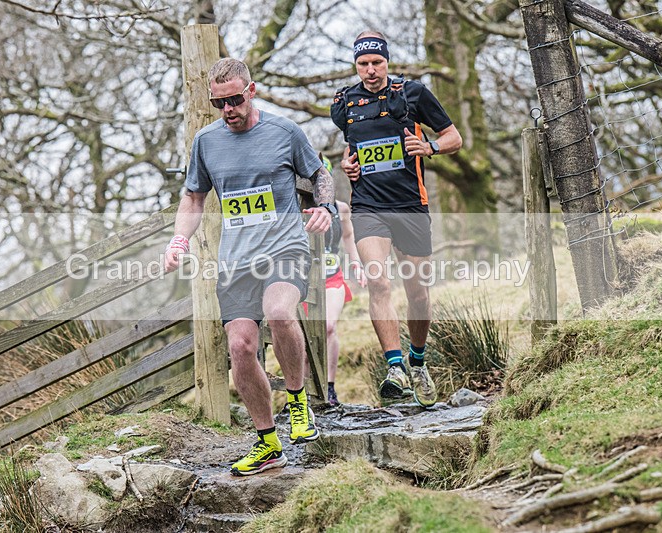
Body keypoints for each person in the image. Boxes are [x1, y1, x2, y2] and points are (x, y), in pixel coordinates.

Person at [164, 58, 336, 476]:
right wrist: (179, 238)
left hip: (285, 248)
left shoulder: (283, 132)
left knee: (280, 312)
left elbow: (320, 174)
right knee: (240, 346)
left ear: (251, 90)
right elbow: (193, 199)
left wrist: (326, 206)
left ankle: (297, 403)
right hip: (237, 261)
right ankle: (267, 443)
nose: (228, 110)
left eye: (235, 100)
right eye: (218, 103)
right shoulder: (205, 142)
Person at [330, 31, 463, 407]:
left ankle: (417, 362)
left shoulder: (413, 94)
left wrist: (430, 146)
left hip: (410, 204)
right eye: (363, 65)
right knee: (378, 283)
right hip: (368, 206)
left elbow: (454, 137)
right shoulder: (344, 102)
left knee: (418, 292)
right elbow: (354, 140)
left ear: (387, 62)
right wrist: (347, 161)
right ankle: (395, 368)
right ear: (355, 65)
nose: (370, 71)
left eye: (377, 63)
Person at [313, 155, 367, 407]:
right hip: (303, 282)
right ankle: (305, 392)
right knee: (305, 338)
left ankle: (331, 387)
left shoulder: (341, 208)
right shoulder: (298, 207)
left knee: (328, 327)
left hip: (332, 277)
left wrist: (356, 262)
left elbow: (348, 237)